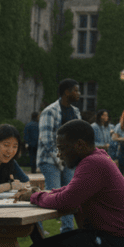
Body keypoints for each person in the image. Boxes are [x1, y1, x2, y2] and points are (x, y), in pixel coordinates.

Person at [15, 120, 124, 247]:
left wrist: (35, 196)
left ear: (80, 145)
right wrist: (44, 193)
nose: (59, 154)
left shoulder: (93, 163)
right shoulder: (97, 157)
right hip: (120, 240)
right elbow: (72, 190)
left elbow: (66, 201)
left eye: (62, 148)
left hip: (119, 243)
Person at [38, 78, 81, 233]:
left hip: (69, 161)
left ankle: (67, 229)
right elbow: (46, 139)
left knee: (69, 196)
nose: (79, 94)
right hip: (50, 160)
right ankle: (37, 229)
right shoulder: (50, 111)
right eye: (76, 90)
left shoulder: (75, 112)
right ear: (66, 92)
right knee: (50, 195)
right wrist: (59, 159)